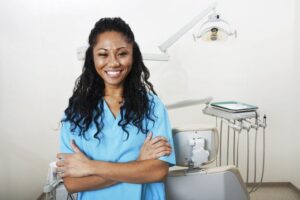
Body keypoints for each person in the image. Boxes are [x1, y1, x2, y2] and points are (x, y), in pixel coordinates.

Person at [56, 17, 176, 200]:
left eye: (122, 53)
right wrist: (137, 164)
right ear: (92, 57)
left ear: (133, 55)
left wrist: (90, 167)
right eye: (103, 54)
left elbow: (158, 172)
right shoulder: (76, 113)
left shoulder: (152, 107)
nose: (113, 63)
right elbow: (73, 183)